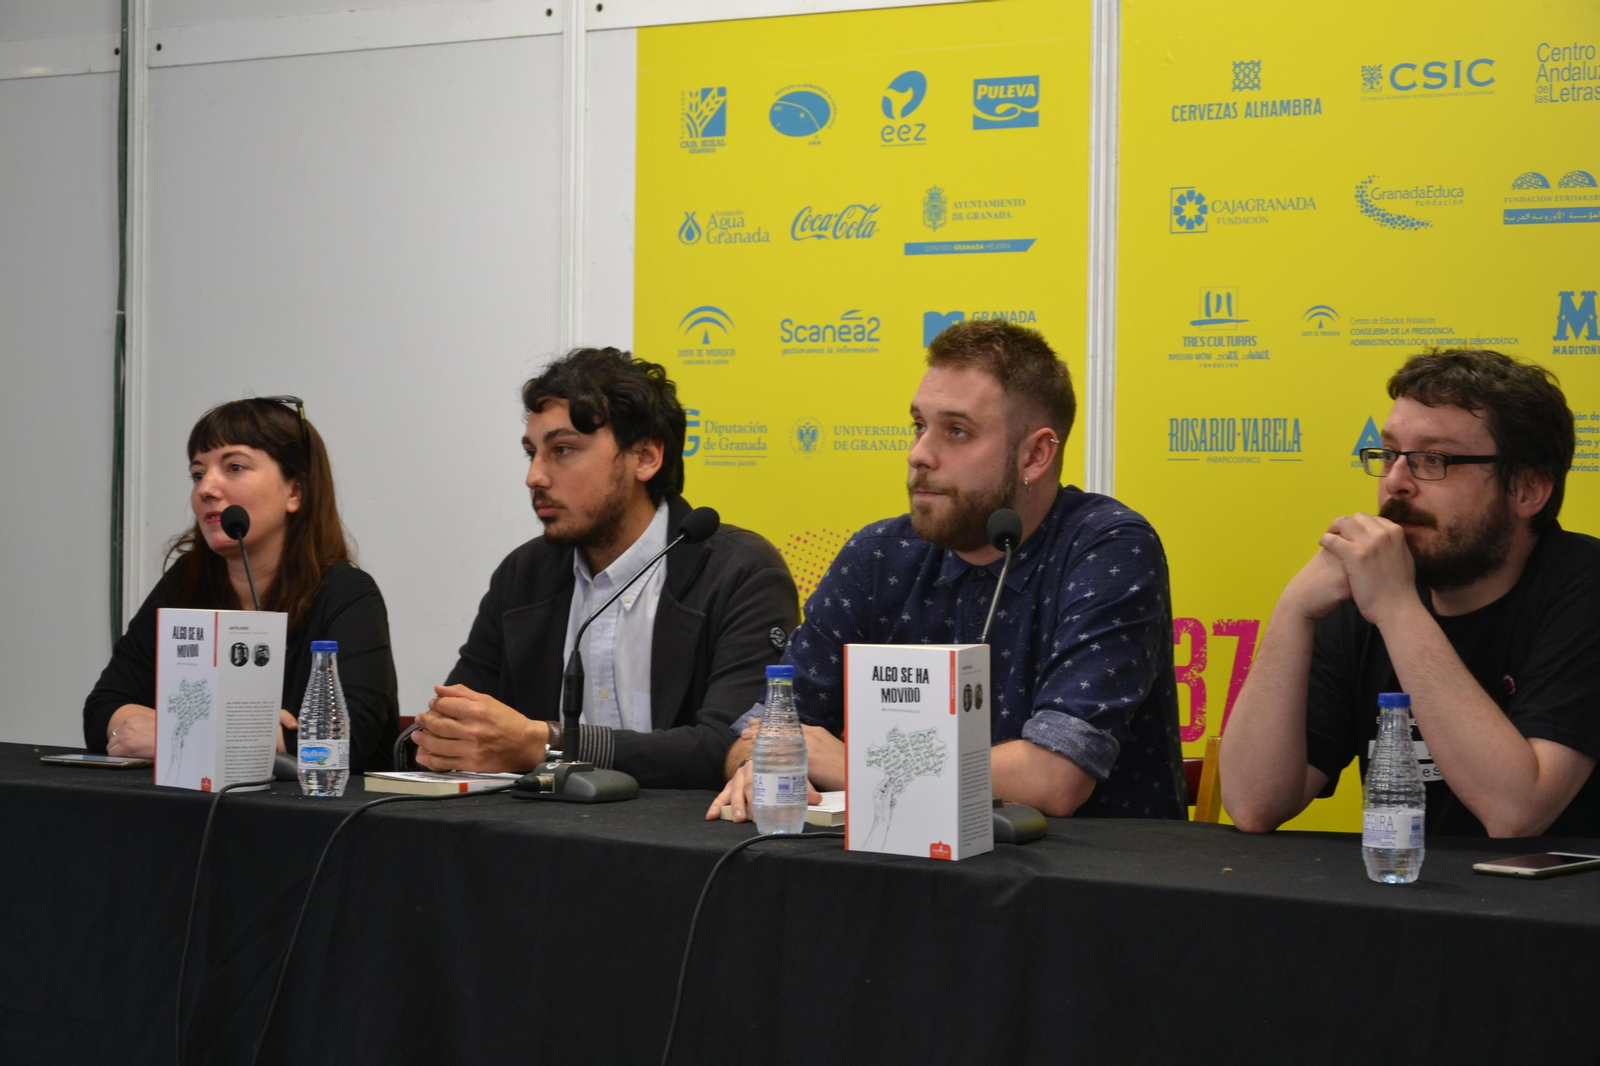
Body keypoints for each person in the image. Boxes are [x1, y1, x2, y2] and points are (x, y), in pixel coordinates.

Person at [710, 319, 1186, 821]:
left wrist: (860, 767)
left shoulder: (1108, 548)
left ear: (1037, 454)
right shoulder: (879, 555)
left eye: (957, 431)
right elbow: (760, 732)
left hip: (1086, 880)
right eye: (919, 426)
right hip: (900, 870)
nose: (919, 454)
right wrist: (760, 764)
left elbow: (1055, 776)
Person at [1220, 349, 1600, 838]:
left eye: (1432, 460)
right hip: (1403, 900)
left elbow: (1515, 812)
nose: (1395, 482)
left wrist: (1397, 608)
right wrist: (1294, 612)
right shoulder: (1370, 591)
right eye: (1389, 454)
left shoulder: (1581, 589)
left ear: (1527, 490)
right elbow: (1254, 804)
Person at [411, 347, 799, 789]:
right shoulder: (524, 575)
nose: (535, 476)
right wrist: (441, 738)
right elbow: (450, 721)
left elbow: (729, 746)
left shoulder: (738, 573)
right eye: (531, 453)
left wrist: (546, 743)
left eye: (562, 450)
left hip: (688, 844)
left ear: (646, 457)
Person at [84, 397, 400, 770]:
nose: (206, 489)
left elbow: (343, 739)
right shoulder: (186, 582)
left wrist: (178, 731)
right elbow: (103, 710)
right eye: (198, 473)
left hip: (321, 819)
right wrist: (260, 734)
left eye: (234, 467)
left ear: (295, 491)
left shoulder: (346, 594)